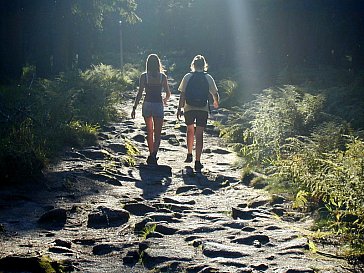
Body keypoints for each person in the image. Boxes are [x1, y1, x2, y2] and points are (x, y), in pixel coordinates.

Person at [177, 54, 219, 172]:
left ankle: (189, 153)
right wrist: (216, 102)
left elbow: (182, 94)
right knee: (199, 134)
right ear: (204, 65)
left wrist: (180, 108)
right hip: (202, 108)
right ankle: (197, 161)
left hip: (189, 107)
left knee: (190, 130)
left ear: (193, 65)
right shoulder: (208, 77)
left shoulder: (188, 76)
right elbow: (215, 93)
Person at [131, 54, 171, 165]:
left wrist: (134, 108)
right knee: (157, 133)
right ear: (158, 64)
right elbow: (168, 93)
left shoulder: (144, 76)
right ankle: (153, 155)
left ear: (147, 64)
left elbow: (139, 93)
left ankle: (150, 153)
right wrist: (165, 100)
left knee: (149, 131)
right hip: (158, 104)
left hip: (147, 104)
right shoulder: (162, 77)